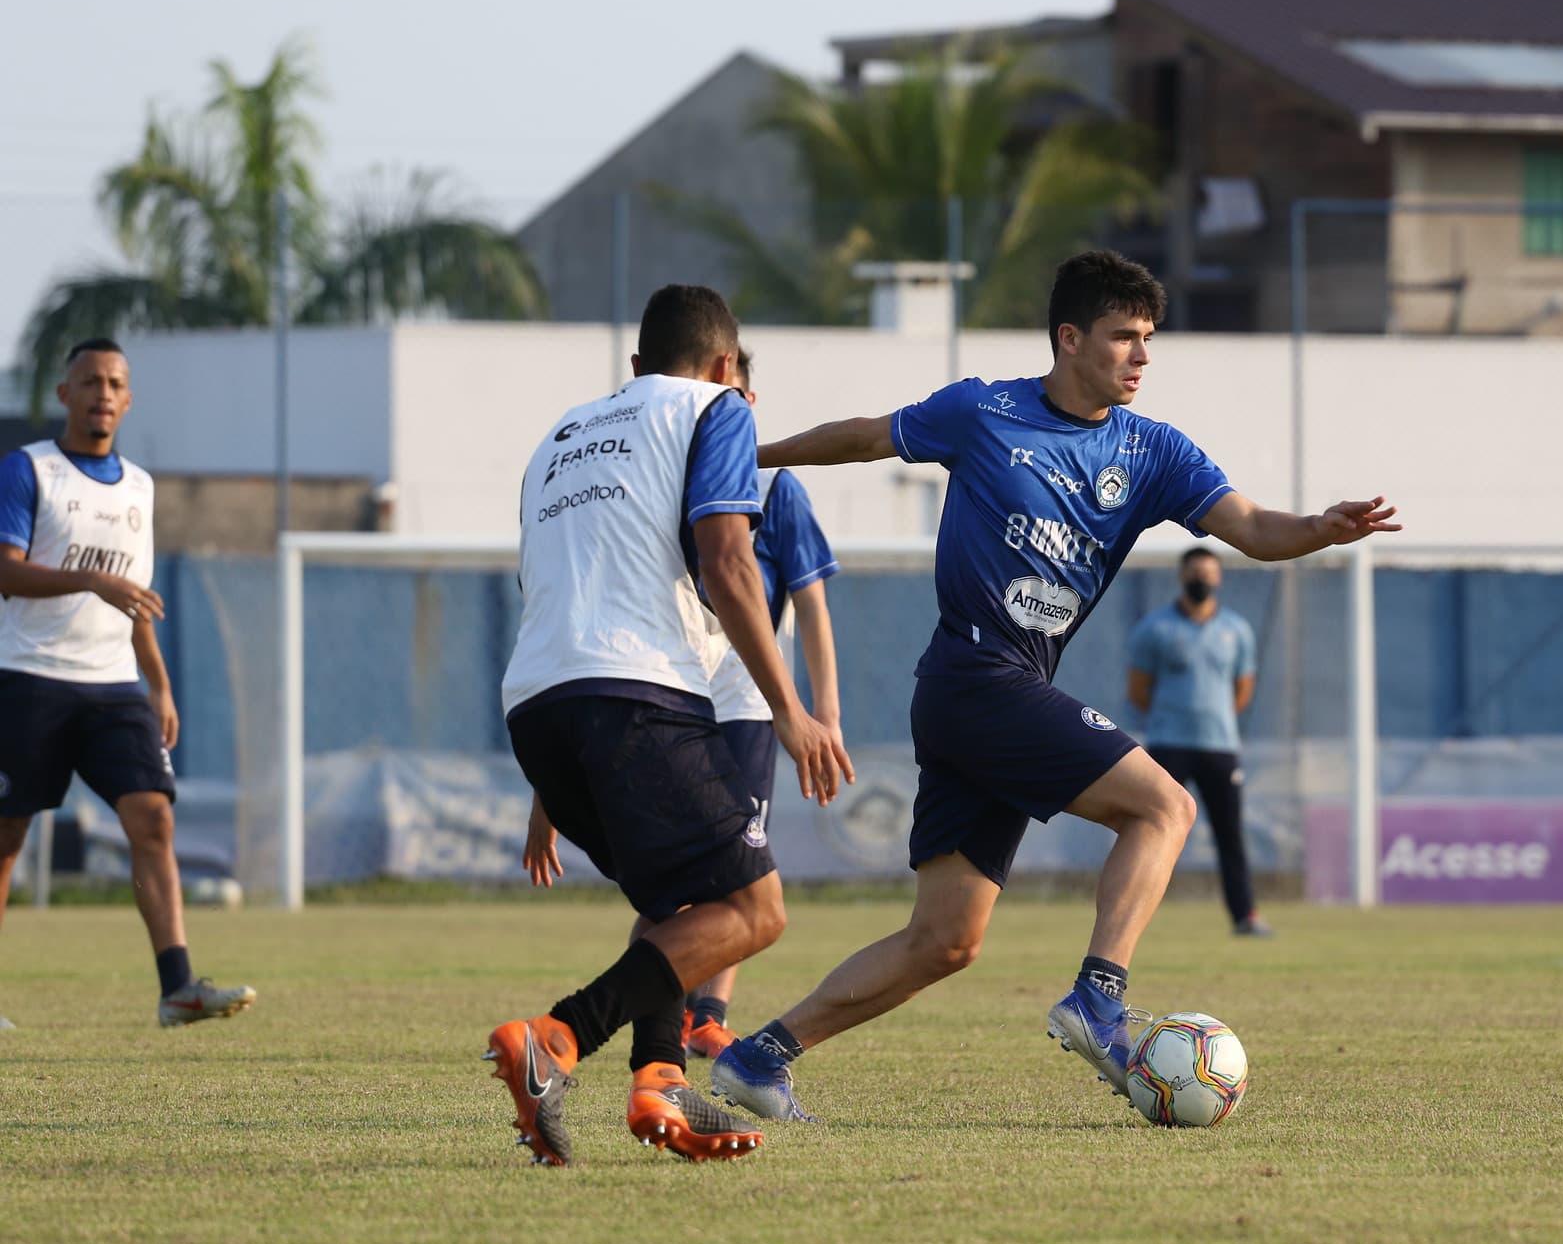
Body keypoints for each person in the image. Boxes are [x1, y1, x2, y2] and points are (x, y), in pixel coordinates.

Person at [707, 250, 1400, 1123]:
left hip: (1000, 689)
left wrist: (1318, 528)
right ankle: (1099, 1001)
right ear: (1069, 338)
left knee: (945, 940)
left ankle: (758, 1057)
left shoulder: (1152, 450)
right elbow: (864, 434)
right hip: (971, 675)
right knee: (1165, 808)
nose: (1141, 357)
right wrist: (754, 457)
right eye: (1123, 338)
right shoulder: (982, 411)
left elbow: (1253, 527)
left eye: (1149, 340)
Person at [484, 286, 853, 1166]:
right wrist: (791, 708)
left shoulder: (558, 439)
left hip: (536, 708)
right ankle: (557, 1038)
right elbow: (729, 560)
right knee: (753, 911)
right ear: (726, 367)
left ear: (638, 367)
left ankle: (658, 1081)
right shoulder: (718, 408)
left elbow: (549, 592)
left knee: (676, 904)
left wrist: (547, 792)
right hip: (639, 694)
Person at [0, 339, 256, 1029]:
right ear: (64, 393)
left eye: (115, 382)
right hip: (29, 677)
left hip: (113, 687)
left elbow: (134, 600)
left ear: (129, 398)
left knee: (154, 818)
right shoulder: (28, 470)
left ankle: (177, 988)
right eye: (89, 381)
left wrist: (160, 684)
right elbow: (6, 570)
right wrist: (89, 577)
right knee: (7, 833)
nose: (102, 393)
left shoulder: (140, 486)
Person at [685, 346, 843, 1060]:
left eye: (739, 398)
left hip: (749, 705)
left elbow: (811, 606)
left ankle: (707, 1012)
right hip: (671, 700)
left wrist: (824, 711)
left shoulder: (777, 491)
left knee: (741, 867)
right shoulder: (665, 481)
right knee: (679, 866)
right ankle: (668, 1004)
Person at [1127, 546, 1270, 936]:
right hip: (1168, 745)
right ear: (1181, 576)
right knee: (1153, 830)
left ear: (1219, 578)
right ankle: (1130, 918)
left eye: (1208, 574)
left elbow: (1242, 690)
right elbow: (1139, 690)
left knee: (1230, 836)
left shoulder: (1236, 630)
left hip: (1220, 747)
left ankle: (1245, 916)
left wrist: (1213, 719)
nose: (1201, 580)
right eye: (1195, 573)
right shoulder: (1154, 629)